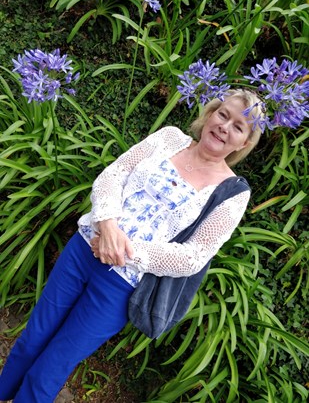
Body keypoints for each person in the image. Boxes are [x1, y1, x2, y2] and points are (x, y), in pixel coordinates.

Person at [0, 89, 263, 402]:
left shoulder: (232, 193)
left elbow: (194, 257)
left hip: (121, 286)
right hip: (84, 250)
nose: (225, 126)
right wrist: (108, 226)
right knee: (32, 338)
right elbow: (114, 173)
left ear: (244, 143)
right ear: (209, 114)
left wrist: (124, 250)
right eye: (223, 115)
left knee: (55, 364)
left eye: (238, 127)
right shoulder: (169, 139)